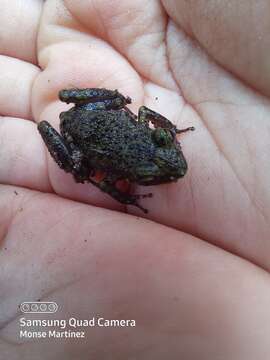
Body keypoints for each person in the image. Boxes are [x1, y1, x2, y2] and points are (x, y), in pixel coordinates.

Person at [0, 0, 269, 358]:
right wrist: (124, 196)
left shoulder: (149, 135)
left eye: (164, 139)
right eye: (151, 176)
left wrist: (166, 133)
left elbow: (141, 112)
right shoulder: (119, 170)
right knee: (79, 170)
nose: (174, 167)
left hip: (92, 110)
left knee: (101, 124)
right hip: (80, 133)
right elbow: (103, 177)